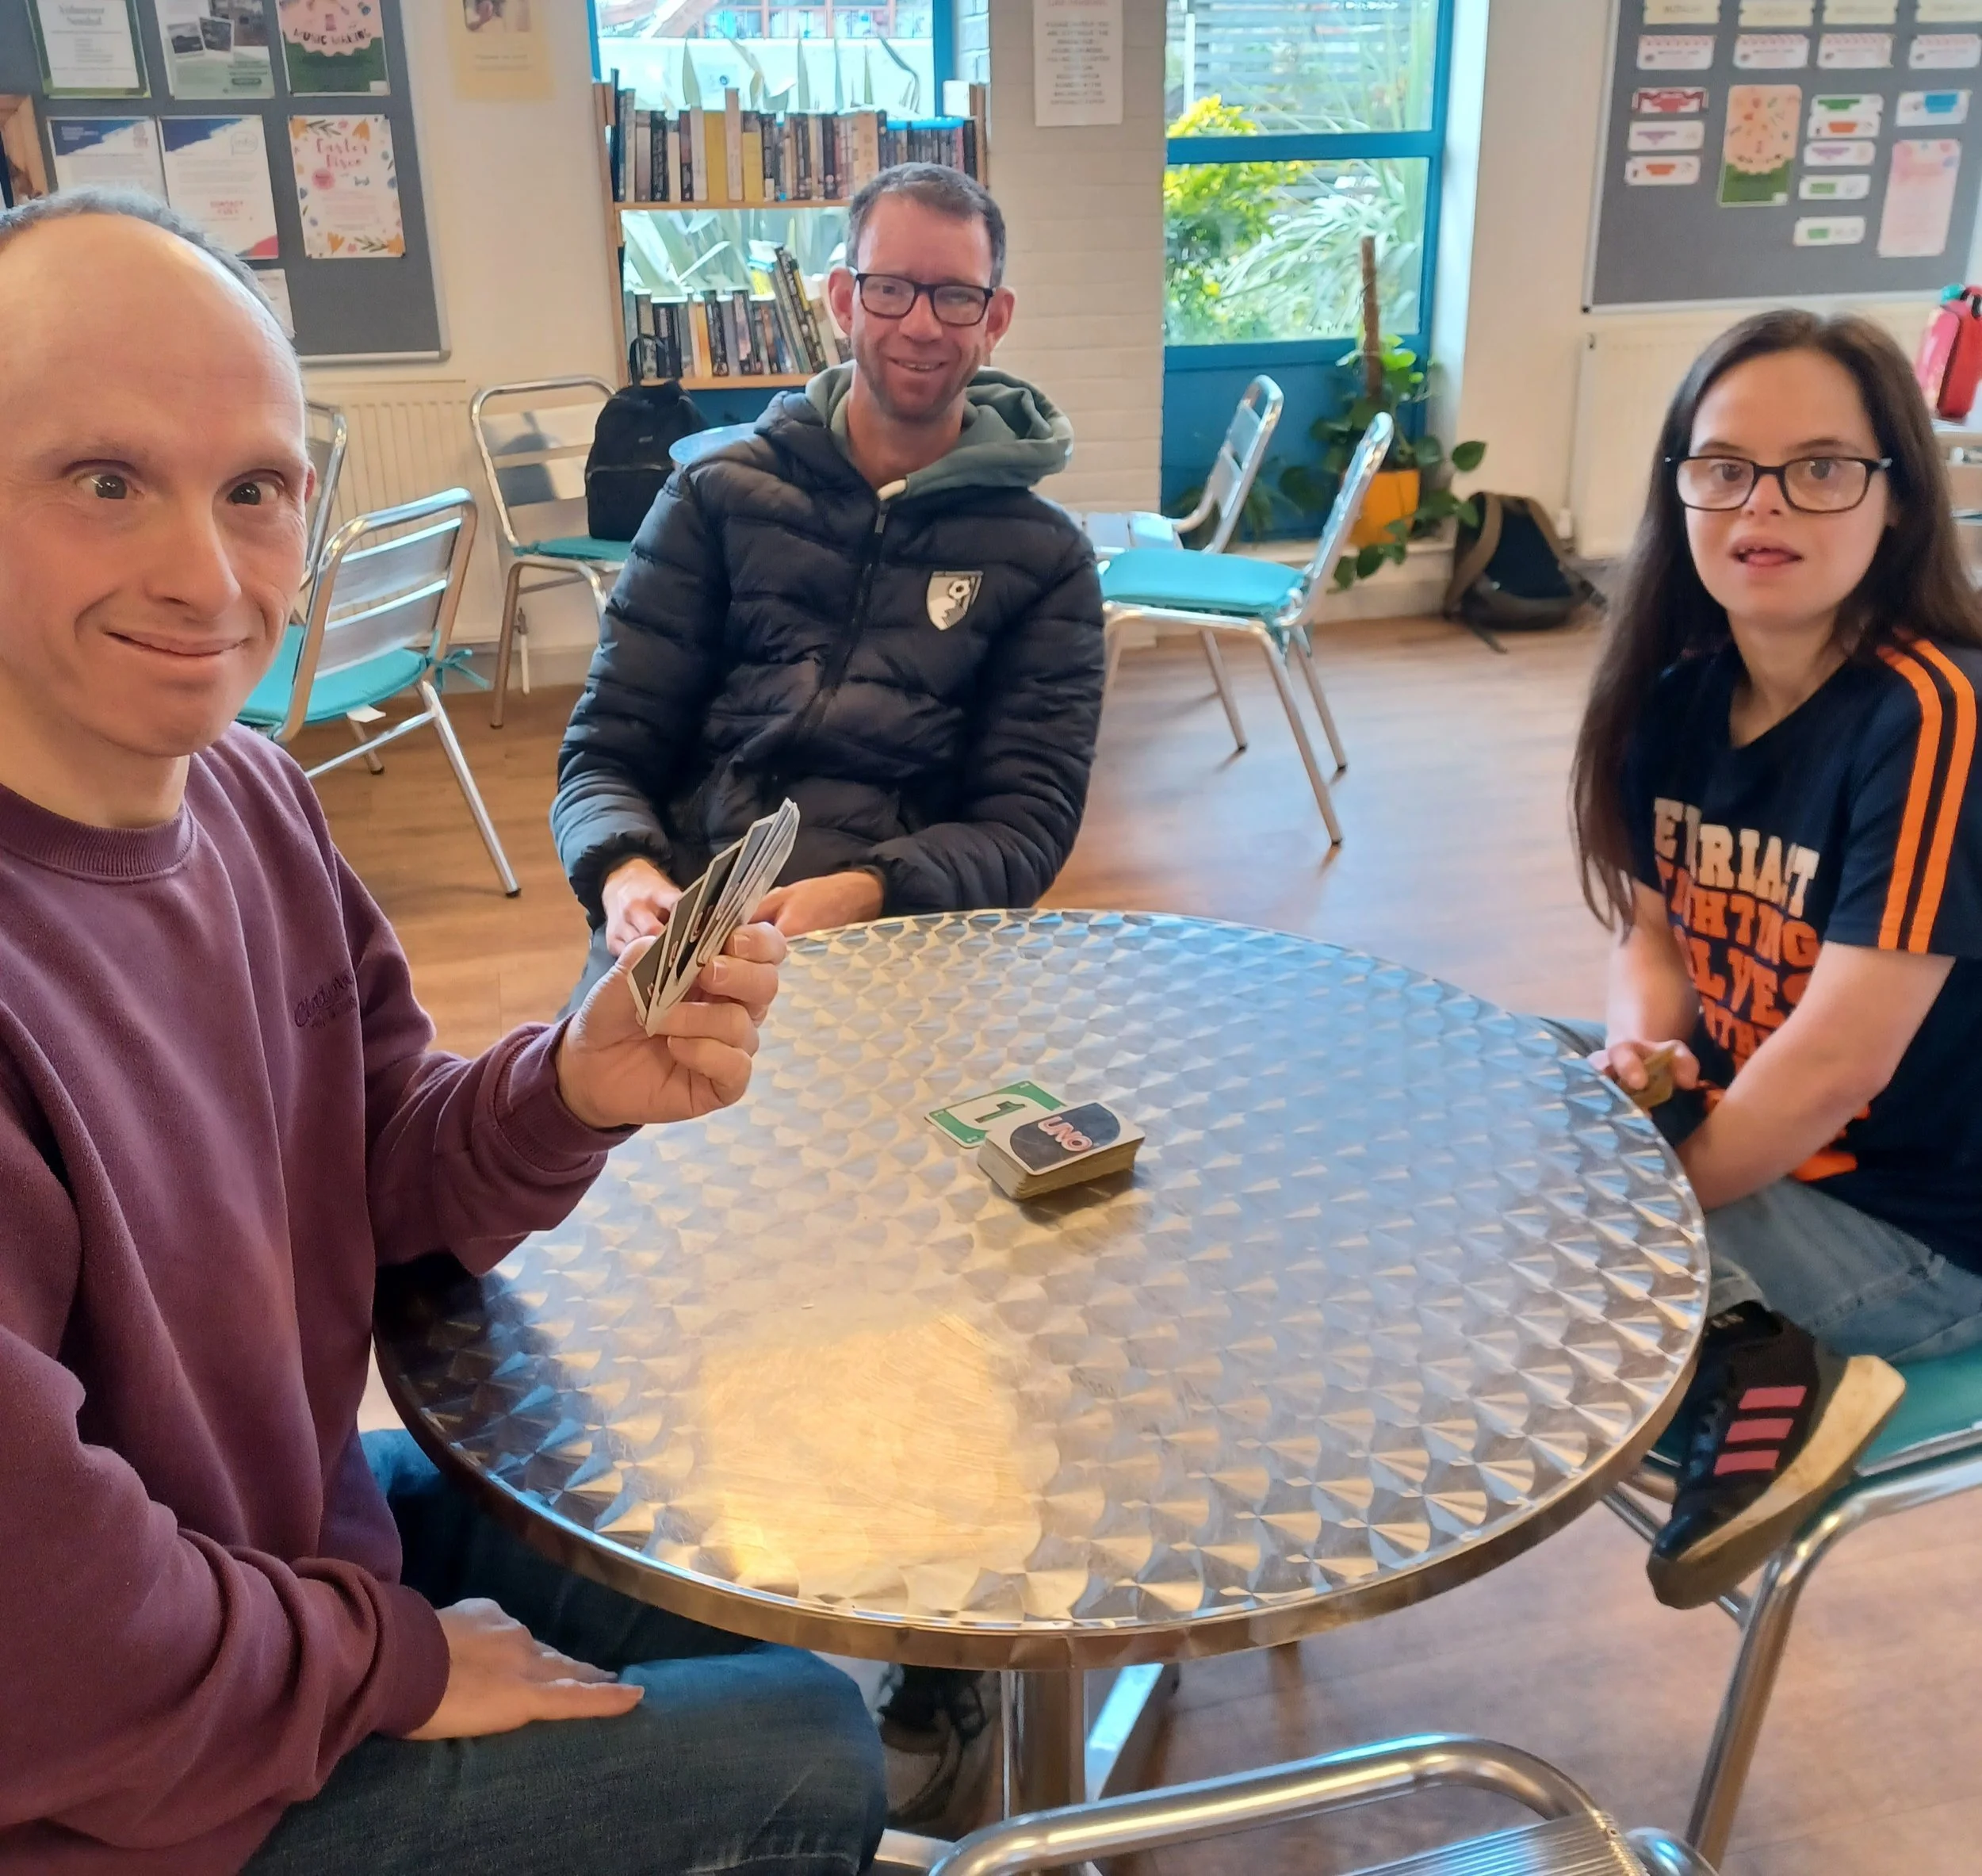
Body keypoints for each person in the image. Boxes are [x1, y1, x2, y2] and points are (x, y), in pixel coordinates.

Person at [0, 191, 884, 1875]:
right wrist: (386, 1667)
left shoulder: (250, 796)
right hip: (110, 1797)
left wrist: (569, 1087)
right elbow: (48, 1652)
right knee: (805, 1755)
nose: (204, 576)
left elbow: (383, 1177)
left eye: (254, 489)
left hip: (270, 1542)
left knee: (715, 1555)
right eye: (102, 479)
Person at [1564, 308, 1982, 1612]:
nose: (1765, 503)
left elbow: (1838, 1064)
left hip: (1914, 1231)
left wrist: (1638, 1188)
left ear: (1896, 498)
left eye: (1822, 468)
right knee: (1484, 1076)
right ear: (1680, 489)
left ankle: (1756, 1361)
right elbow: (1652, 932)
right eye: (1726, 466)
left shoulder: (1934, 714)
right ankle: (1736, 1337)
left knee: (1521, 1211)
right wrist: (1641, 1053)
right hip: (1747, 1138)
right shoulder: (1678, 698)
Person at [552, 163, 1106, 998]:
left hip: (906, 940)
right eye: (891, 289)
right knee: (594, 1082)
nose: (921, 324)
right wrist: (624, 873)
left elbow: (1025, 825)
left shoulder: (1046, 558)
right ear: (844, 300)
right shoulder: (715, 495)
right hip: (685, 922)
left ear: (995, 319)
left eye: (955, 296)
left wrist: (870, 891)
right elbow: (605, 751)